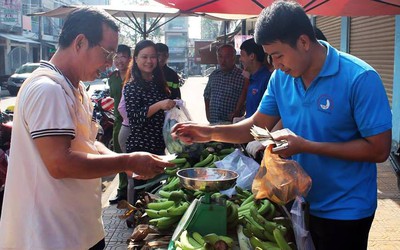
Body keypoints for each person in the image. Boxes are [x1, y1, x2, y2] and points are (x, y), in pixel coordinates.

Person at [171, 1, 392, 249]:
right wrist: (207, 132)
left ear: (304, 42)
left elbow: (379, 149)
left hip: (346, 209)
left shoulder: (359, 78)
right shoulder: (281, 78)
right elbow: (254, 127)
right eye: (270, 57)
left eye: (278, 55)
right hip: (297, 201)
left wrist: (306, 146)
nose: (275, 64)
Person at [0, 8, 174, 250]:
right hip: (47, 237)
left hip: (79, 229)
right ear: (80, 42)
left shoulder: (75, 88)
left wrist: (124, 161)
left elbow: (88, 144)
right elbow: (60, 163)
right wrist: (127, 161)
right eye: (107, 53)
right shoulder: (47, 89)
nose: (110, 62)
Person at [124, 40, 176, 208]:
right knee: (140, 189)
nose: (149, 61)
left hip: (158, 145)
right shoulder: (131, 86)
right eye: (144, 57)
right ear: (136, 59)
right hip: (140, 146)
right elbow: (135, 119)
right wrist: (160, 105)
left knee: (156, 190)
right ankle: (135, 223)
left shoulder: (158, 83)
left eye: (153, 57)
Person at [108, 44, 132, 205]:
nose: (118, 60)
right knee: (120, 158)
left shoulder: (134, 77)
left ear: (130, 59)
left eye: (122, 56)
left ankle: (136, 188)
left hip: (134, 124)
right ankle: (122, 189)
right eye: (116, 56)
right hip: (118, 123)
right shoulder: (113, 78)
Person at [203, 44, 245, 124]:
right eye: (220, 57)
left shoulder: (242, 77)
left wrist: (237, 112)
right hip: (214, 122)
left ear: (234, 58)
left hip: (232, 124)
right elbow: (206, 95)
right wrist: (208, 114)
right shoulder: (214, 75)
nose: (223, 60)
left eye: (227, 57)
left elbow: (246, 100)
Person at [239, 38, 272, 118]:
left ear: (252, 56)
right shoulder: (252, 79)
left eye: (242, 55)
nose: (240, 59)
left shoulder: (267, 79)